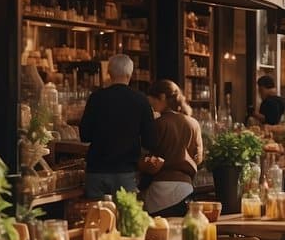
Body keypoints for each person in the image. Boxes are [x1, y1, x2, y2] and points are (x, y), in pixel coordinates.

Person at [78, 55, 154, 198]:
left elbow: (85, 135)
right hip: (125, 172)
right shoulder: (140, 100)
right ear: (130, 74)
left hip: (96, 171)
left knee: (97, 217)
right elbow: (149, 140)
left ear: (109, 73)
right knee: (126, 216)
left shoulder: (96, 98)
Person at [140, 80, 202, 217]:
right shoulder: (194, 123)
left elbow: (146, 155)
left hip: (160, 191)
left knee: (159, 233)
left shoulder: (157, 124)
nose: (151, 106)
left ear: (162, 97)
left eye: (152, 101)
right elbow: (199, 158)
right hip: (186, 189)